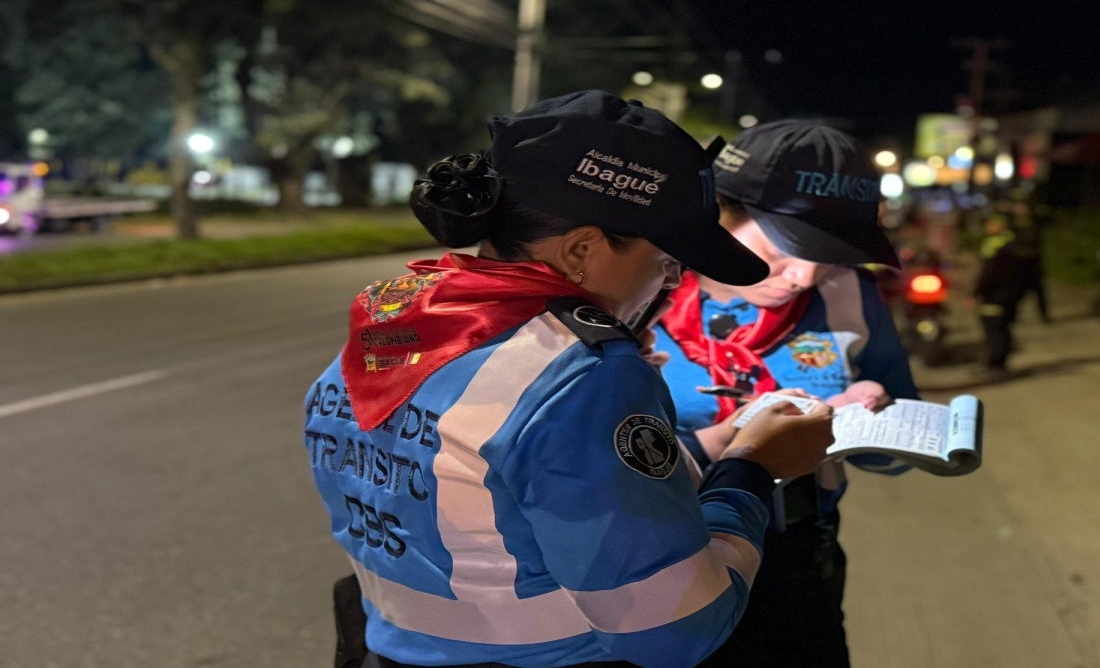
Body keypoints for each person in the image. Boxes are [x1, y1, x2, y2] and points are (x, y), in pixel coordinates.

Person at [303, 90, 837, 668]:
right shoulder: (582, 375)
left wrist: (700, 438)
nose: (670, 286)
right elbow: (676, 629)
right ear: (584, 249)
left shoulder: (397, 319)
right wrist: (752, 469)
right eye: (665, 264)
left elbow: (494, 487)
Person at [652, 121, 920, 667]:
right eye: (788, 247)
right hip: (660, 562)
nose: (804, 275)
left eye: (830, 253)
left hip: (798, 562)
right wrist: (734, 439)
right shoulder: (639, 292)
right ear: (719, 214)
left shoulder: (850, 296)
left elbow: (892, 454)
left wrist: (871, 418)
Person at [974, 211, 1026, 375]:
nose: (987, 227)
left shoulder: (995, 246)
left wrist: (977, 292)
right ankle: (998, 363)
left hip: (996, 295)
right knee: (1002, 328)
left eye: (991, 223)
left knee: (994, 329)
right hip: (1010, 294)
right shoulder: (1014, 242)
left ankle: (996, 365)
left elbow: (989, 273)